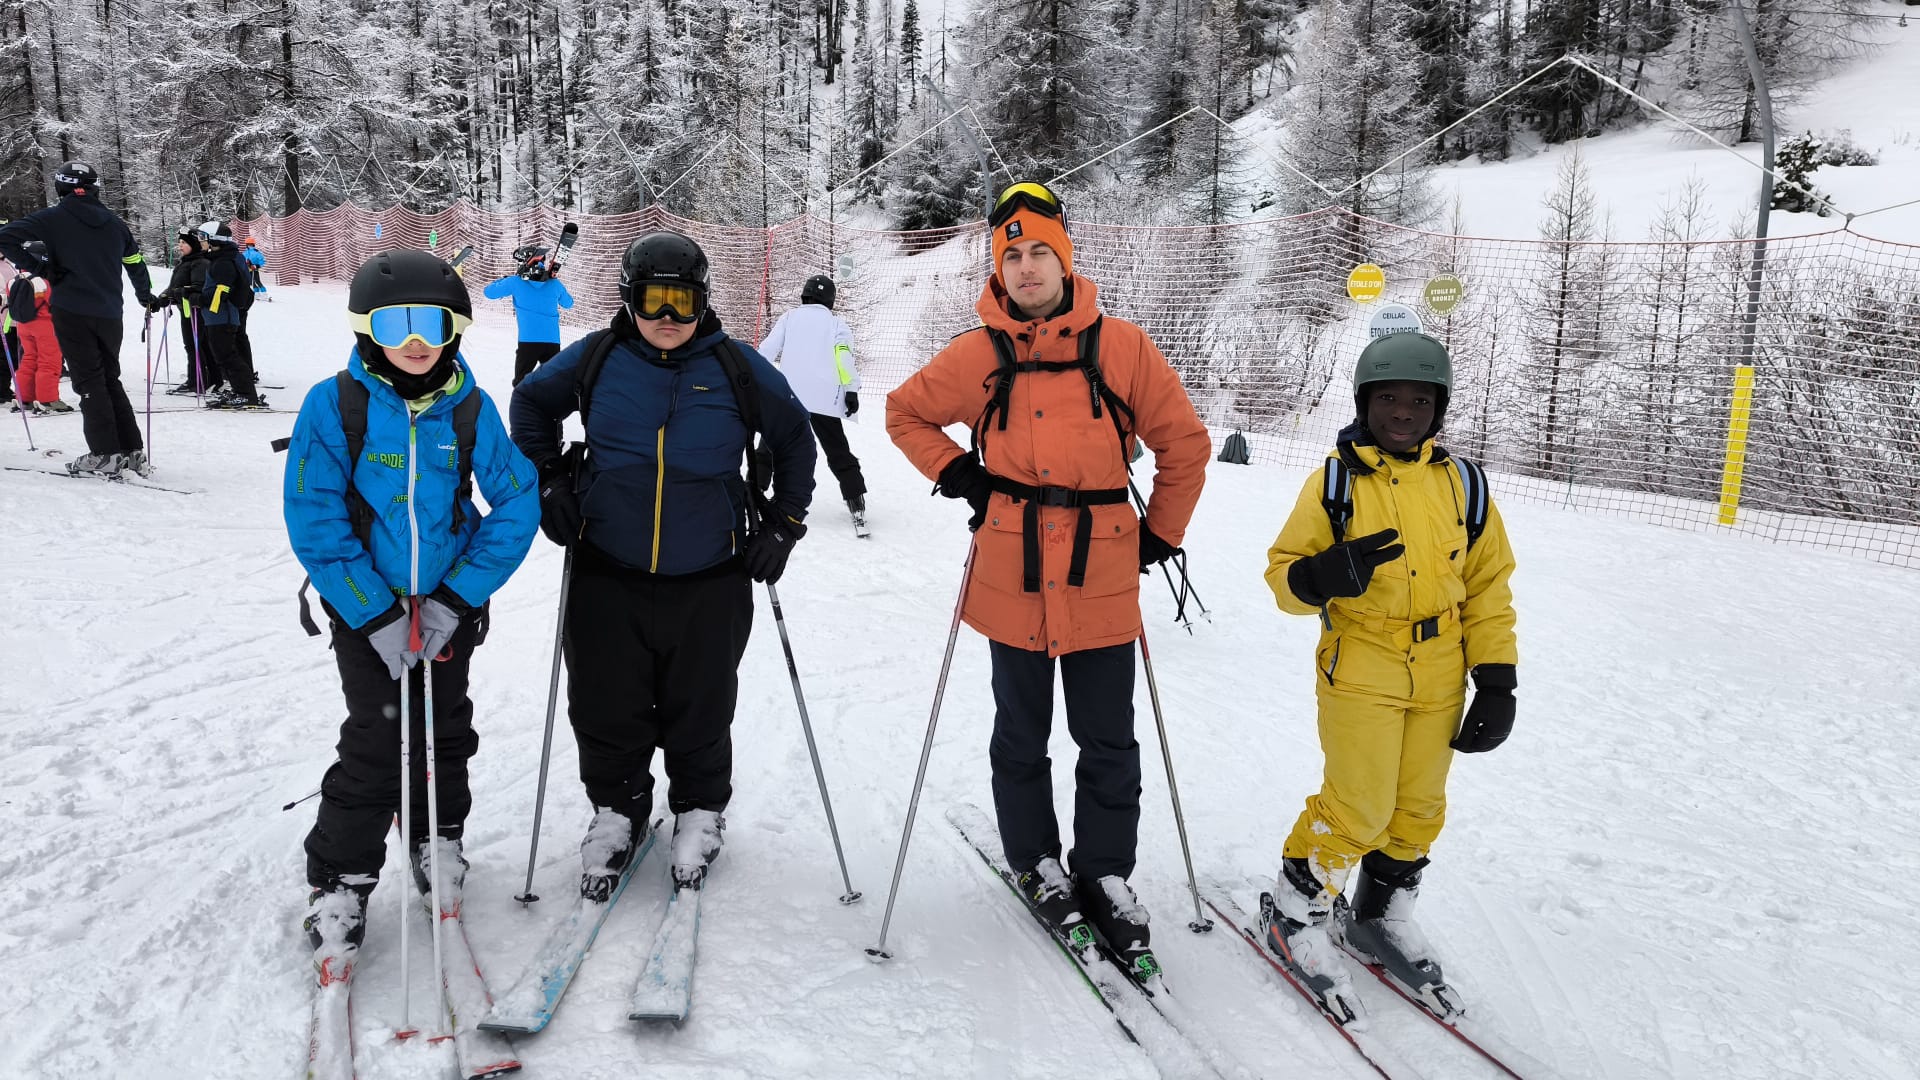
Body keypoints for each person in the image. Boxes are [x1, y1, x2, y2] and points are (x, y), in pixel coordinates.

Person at [886, 181, 1210, 983]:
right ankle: (1035, 858)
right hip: (1010, 567)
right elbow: (903, 413)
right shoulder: (977, 354)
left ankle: (1104, 872)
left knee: (1108, 737)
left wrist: (1161, 533)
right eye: (1013, 256)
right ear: (999, 269)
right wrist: (958, 472)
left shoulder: (1123, 348)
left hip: (1100, 565)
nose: (1027, 269)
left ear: (1066, 259)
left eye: (1040, 254)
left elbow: (1186, 444)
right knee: (1020, 732)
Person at [510, 230, 816, 899]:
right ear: (629, 299)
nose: (668, 318)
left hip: (709, 570)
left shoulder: (735, 366)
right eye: (653, 301)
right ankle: (617, 812)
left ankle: (700, 813)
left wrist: (785, 525)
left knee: (701, 704)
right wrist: (550, 483)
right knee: (603, 701)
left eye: (682, 301)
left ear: (702, 300)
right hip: (606, 563)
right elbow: (531, 406)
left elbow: (795, 437)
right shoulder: (598, 357)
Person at [283, 248, 540, 956]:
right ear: (369, 329)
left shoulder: (470, 409)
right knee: (378, 738)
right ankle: (341, 876)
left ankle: (438, 840)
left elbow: (517, 500)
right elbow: (315, 517)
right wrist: (375, 613)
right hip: (369, 613)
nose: (416, 340)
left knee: (445, 729)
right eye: (397, 325)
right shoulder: (335, 405)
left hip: (448, 610)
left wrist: (458, 596)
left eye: (432, 322)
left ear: (454, 327)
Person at [1258, 331, 1518, 1024]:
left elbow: (1490, 586)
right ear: (1364, 403)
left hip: (1442, 670)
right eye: (1388, 398)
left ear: (1439, 408)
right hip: (1363, 662)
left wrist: (1497, 680)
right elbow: (1283, 578)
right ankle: (1295, 908)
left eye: (1419, 400)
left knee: (1417, 810)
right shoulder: (1337, 482)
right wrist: (1323, 575)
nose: (1403, 411)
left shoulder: (1464, 486)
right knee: (1358, 806)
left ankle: (1379, 913)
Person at [0, 162, 158, 476]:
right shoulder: (115, 223)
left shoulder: (52, 218)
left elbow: (5, 238)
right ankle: (131, 449)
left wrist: (41, 268)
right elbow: (135, 261)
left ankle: (104, 453)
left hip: (72, 310)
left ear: (61, 188)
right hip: (111, 312)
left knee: (89, 382)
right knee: (109, 379)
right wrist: (145, 294)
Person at [759, 274, 869, 528]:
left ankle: (752, 493)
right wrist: (850, 390)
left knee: (768, 448)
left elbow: (766, 351)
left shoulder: (790, 318)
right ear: (830, 300)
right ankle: (856, 503)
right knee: (837, 449)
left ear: (804, 296)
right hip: (823, 400)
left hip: (789, 398)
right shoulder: (836, 323)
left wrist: (757, 381)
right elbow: (843, 358)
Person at [195, 220, 264, 408]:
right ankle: (239, 390)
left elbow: (221, 291)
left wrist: (198, 299)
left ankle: (246, 394)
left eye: (203, 237)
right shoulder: (224, 258)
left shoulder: (224, 262)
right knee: (224, 355)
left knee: (227, 356)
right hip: (220, 316)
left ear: (214, 240)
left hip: (222, 317)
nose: (200, 241)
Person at [483, 244, 574, 386]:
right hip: (552, 341)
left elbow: (489, 292)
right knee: (554, 383)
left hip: (528, 342)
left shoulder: (515, 282)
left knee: (521, 384)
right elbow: (568, 303)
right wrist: (556, 283)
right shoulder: (555, 284)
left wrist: (504, 280)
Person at [150, 227, 217, 396]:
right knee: (196, 345)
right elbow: (175, 286)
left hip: (195, 310)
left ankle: (198, 381)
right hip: (185, 309)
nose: (180, 246)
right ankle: (206, 378)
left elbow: (197, 288)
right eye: (179, 242)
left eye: (184, 243)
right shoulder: (187, 262)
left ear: (193, 244)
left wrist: (177, 293)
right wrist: (162, 298)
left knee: (194, 344)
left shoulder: (200, 263)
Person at [6, 248, 70, 414]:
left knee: (28, 359)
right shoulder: (44, 281)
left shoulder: (14, 280)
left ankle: (24, 397)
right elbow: (55, 302)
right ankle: (48, 400)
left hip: (23, 325)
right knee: (49, 361)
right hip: (46, 326)